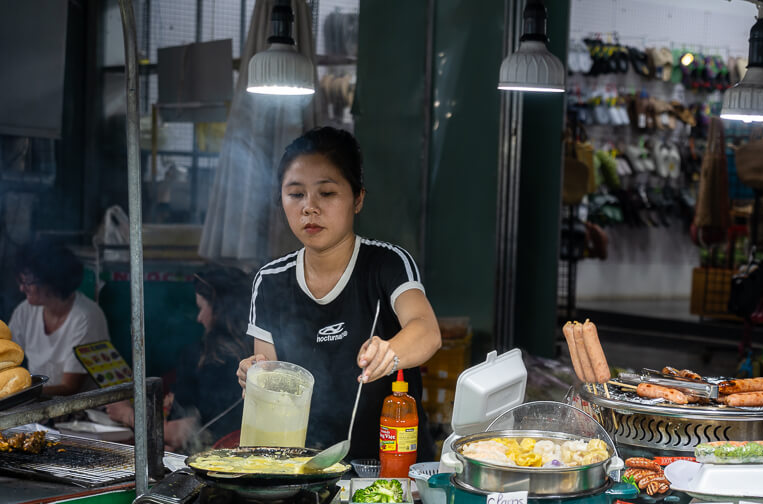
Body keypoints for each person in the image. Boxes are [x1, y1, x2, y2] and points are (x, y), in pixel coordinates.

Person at [237, 127, 441, 460]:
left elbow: (427, 331)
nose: (309, 208)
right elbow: (271, 376)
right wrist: (254, 375)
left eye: (327, 193)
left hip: (390, 473)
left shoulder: (387, 264)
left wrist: (388, 352)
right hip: (305, 476)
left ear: (357, 198)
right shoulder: (271, 281)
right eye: (295, 194)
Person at [107, 267, 252, 452]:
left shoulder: (201, 357)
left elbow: (181, 433)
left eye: (201, 309)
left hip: (210, 461)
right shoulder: (255, 352)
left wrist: (127, 415)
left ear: (219, 310)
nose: (199, 318)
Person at [8, 243, 110, 396]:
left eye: (28, 283)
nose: (22, 288)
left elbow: (69, 387)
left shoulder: (86, 317)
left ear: (51, 282)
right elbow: (7, 355)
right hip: (39, 404)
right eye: (21, 282)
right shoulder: (25, 311)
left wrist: (17, 396)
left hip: (80, 411)